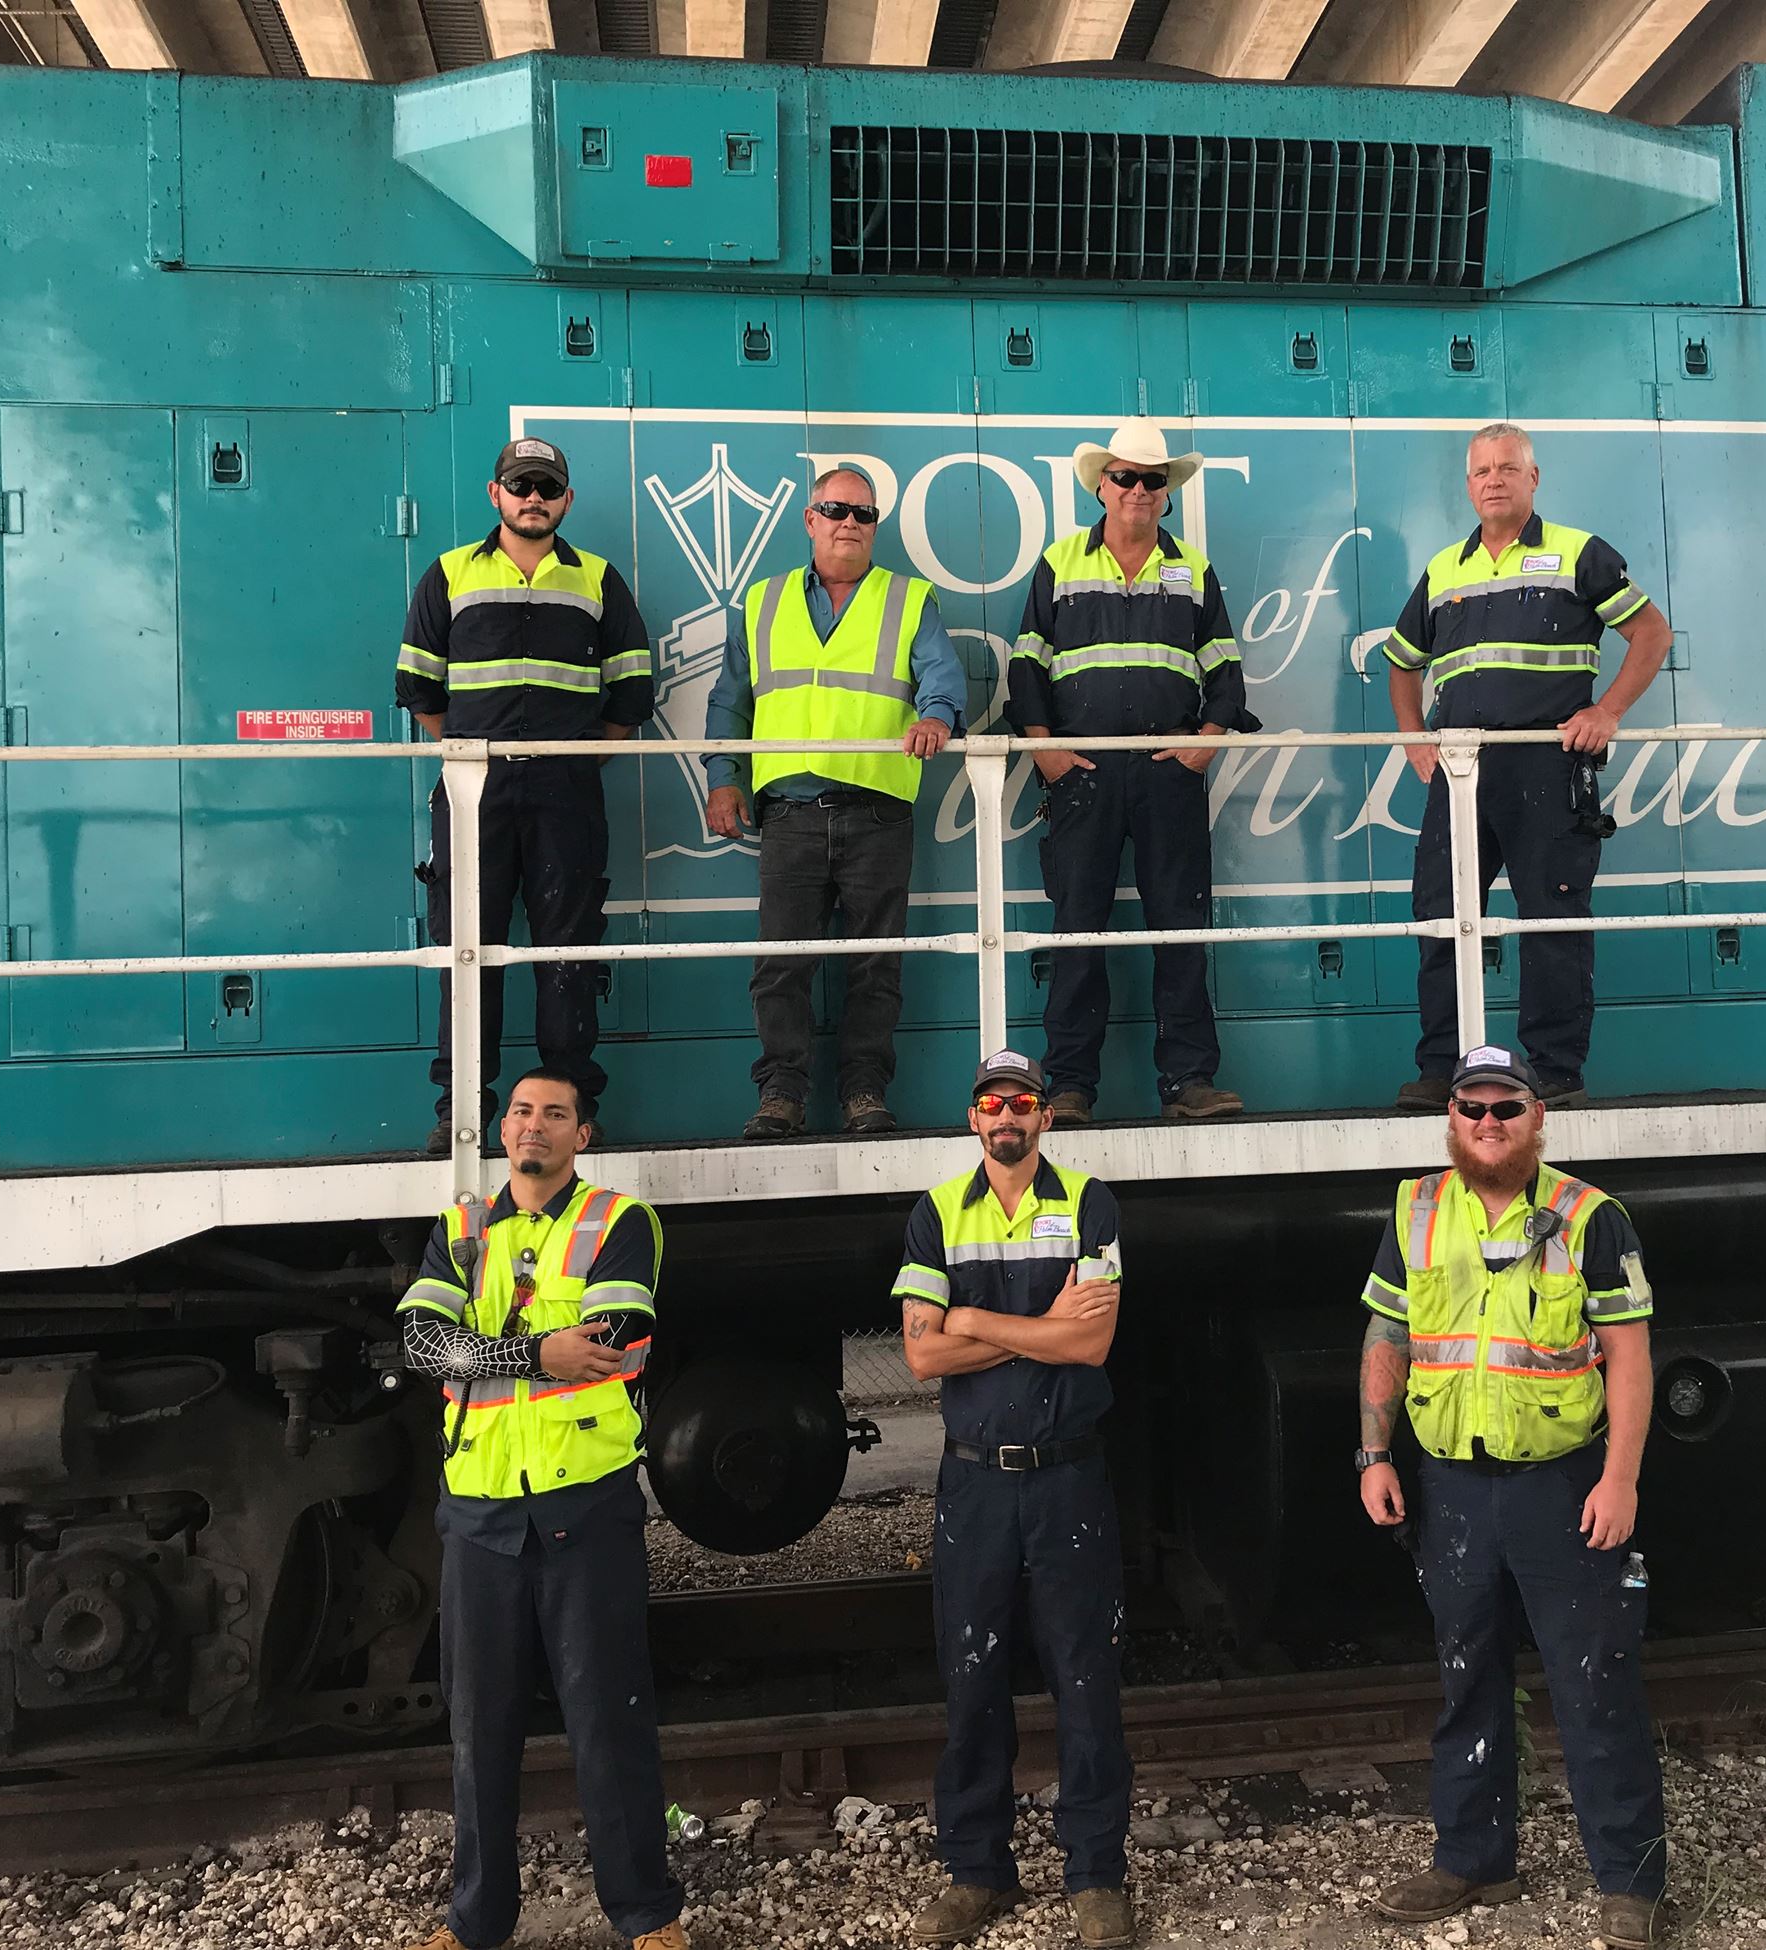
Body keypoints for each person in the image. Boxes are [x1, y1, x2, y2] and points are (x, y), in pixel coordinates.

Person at [1356, 1045, 1665, 1950]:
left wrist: (1619, 1478)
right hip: (1450, 1483)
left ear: (1538, 1118)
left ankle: (1631, 1881)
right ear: (1450, 1118)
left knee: (1594, 1683)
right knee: (1466, 1678)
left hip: (1560, 1485)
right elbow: (1386, 1334)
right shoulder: (1415, 1210)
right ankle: (1473, 1859)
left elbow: (1631, 1358)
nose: (1487, 1123)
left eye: (1505, 1108)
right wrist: (1373, 1454)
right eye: (1472, 1108)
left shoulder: (1591, 1216)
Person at [396, 1065, 684, 1950]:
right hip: (480, 1515)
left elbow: (610, 1341)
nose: (533, 1125)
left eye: (555, 1114)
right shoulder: (461, 1229)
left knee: (610, 1721)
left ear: (581, 1137)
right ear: (503, 1128)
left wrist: (482, 1351)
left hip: (583, 1507)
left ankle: (647, 1916)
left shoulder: (619, 1223)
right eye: (521, 1110)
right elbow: (419, 1344)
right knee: (478, 1733)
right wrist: (532, 1354)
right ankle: (476, 1924)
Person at [892, 1049, 1134, 1947]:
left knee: (1086, 1677)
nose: (1007, 1115)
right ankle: (976, 1872)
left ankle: (1096, 1876)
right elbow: (922, 1356)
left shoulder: (1091, 1203)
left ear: (1044, 1117)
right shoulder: (935, 1212)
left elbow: (1092, 1344)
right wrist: (1042, 1328)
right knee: (971, 1678)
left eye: (1021, 1102)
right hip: (976, 1483)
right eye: (992, 1102)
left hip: (1069, 1475)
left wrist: (970, 1318)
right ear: (973, 1119)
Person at [1384, 424, 1672, 1113]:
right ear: (1468, 485)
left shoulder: (1579, 552)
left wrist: (1607, 711)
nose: (1494, 480)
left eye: (1507, 468)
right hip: (1461, 773)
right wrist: (1413, 738)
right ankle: (1443, 1067)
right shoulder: (1444, 569)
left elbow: (1652, 632)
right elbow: (1401, 661)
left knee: (1551, 916)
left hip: (1548, 764)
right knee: (1441, 916)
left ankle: (1554, 1070)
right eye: (1482, 470)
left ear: (1533, 478)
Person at [397, 438, 654, 1153]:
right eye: (520, 485)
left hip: (566, 789)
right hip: (473, 786)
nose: (533, 497)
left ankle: (569, 1112)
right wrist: (476, 751)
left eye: (546, 486)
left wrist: (572, 760)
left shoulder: (599, 579)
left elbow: (633, 694)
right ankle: (461, 1113)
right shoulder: (449, 573)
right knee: (466, 952)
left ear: (566, 499)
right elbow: (419, 690)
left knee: (567, 955)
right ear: (496, 494)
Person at [703, 467, 968, 1139]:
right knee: (780, 966)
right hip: (789, 814)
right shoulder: (761, 602)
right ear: (810, 519)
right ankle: (781, 1096)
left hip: (878, 810)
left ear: (875, 525)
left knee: (876, 965)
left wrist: (936, 716)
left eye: (863, 513)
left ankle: (864, 1094)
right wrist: (723, 777)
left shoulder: (909, 598)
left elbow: (942, 675)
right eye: (835, 510)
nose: (850, 522)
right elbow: (730, 699)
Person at [1010, 418, 1253, 1125]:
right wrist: (1043, 749)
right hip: (1080, 772)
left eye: (1153, 479)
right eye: (1126, 477)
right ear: (1102, 485)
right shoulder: (1059, 562)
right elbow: (1026, 664)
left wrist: (1208, 741)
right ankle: (1069, 1086)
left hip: (1167, 772)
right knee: (1077, 929)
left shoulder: (1194, 569)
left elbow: (1225, 669)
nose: (1139, 490)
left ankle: (1189, 1081)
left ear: (1166, 491)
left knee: (1179, 926)